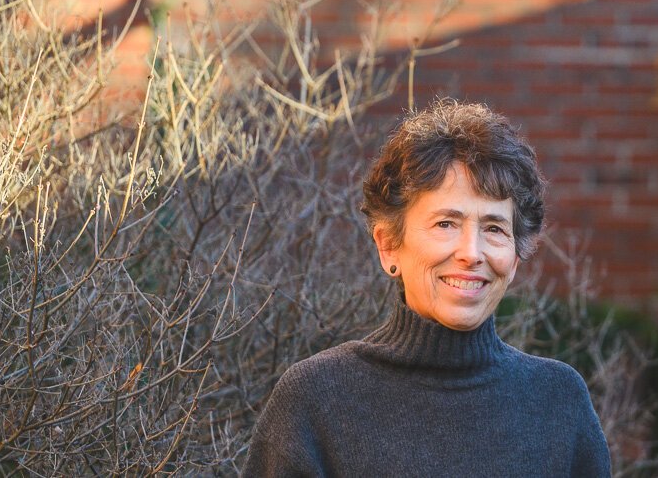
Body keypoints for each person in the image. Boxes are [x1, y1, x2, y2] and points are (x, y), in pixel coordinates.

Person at [244, 100, 610, 476]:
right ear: (389, 245)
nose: (471, 253)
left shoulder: (558, 401)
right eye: (446, 224)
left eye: (495, 229)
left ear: (515, 258)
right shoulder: (316, 400)